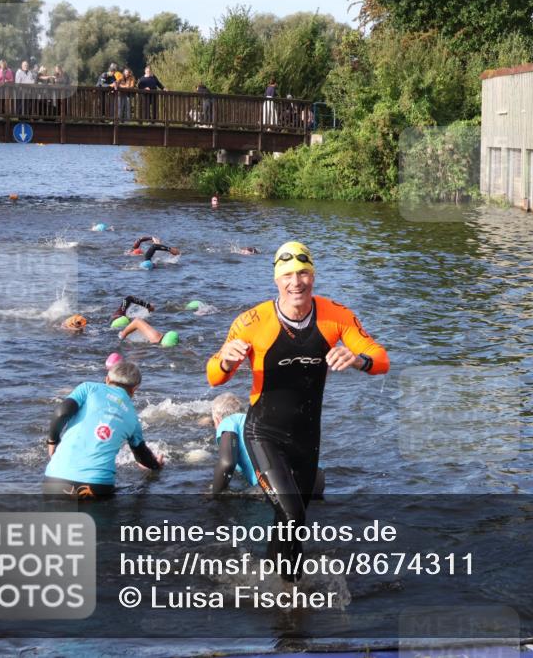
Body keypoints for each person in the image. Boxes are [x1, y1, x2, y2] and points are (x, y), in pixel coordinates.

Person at [206, 241, 389, 581]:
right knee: (291, 513)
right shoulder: (251, 322)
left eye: (303, 273)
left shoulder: (336, 315)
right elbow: (214, 377)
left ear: (313, 276)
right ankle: (288, 596)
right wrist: (225, 360)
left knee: (293, 519)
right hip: (263, 433)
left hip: (307, 438)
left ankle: (281, 593)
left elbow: (381, 359)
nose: (296, 282)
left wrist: (358, 360)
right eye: (288, 275)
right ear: (276, 280)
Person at [43, 361, 163, 499]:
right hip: (97, 487)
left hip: (55, 480)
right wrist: (155, 466)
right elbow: (141, 455)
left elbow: (62, 413)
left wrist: (52, 440)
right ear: (135, 389)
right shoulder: (133, 418)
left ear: (107, 379)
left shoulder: (88, 388)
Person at [211, 392, 326, 498]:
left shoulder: (228, 422)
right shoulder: (256, 421)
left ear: (217, 419)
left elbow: (227, 463)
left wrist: (215, 495)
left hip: (280, 483)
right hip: (315, 478)